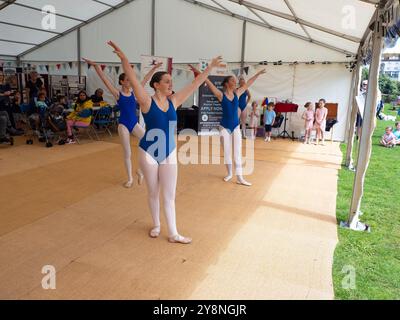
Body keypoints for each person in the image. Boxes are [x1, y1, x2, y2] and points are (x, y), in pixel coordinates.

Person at [108, 41, 224, 244]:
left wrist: (210, 68)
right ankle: (156, 224)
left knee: (169, 196)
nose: (171, 84)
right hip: (149, 152)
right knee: (153, 192)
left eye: (171, 81)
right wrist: (125, 60)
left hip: (169, 151)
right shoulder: (145, 101)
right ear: (156, 85)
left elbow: (196, 84)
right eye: (167, 81)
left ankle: (173, 233)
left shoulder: (175, 101)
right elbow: (134, 80)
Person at [83, 58, 162, 188]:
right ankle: (130, 178)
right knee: (128, 153)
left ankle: (140, 171)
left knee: (150, 142)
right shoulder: (117, 93)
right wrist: (97, 66)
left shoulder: (134, 93)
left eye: (130, 80)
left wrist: (154, 68)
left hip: (134, 124)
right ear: (121, 82)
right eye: (127, 80)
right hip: (123, 125)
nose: (130, 81)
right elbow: (104, 79)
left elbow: (146, 79)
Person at [190, 65, 266, 186]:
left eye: (235, 81)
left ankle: (240, 177)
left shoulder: (238, 93)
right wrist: (198, 72)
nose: (235, 82)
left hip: (235, 126)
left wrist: (257, 74)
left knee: (237, 152)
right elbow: (208, 81)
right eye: (232, 80)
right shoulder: (221, 95)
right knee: (227, 152)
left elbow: (248, 83)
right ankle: (230, 173)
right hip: (224, 127)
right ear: (226, 84)